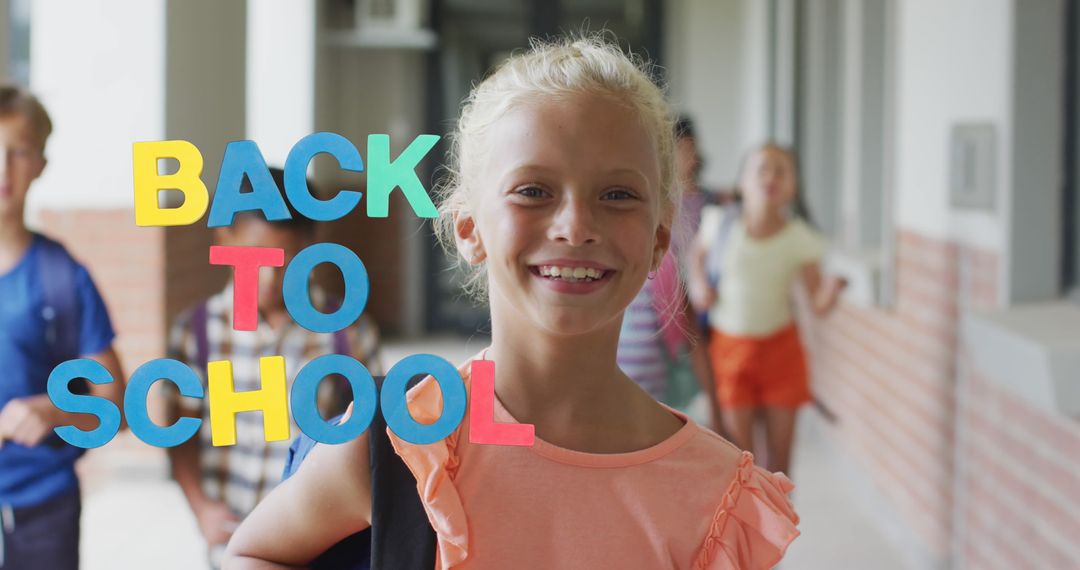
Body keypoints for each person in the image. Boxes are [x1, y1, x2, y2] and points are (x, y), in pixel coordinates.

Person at [225, 36, 800, 569]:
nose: (575, 226)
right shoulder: (399, 439)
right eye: (533, 191)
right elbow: (253, 553)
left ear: (657, 239)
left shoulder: (718, 498)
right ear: (469, 228)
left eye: (618, 194)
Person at [164, 167, 383, 569]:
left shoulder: (347, 332)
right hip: (234, 540)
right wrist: (200, 507)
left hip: (317, 535)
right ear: (224, 239)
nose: (268, 277)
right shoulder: (197, 332)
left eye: (285, 262)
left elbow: (368, 438)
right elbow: (181, 433)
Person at [0, 84, 125, 570]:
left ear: (40, 165)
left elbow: (116, 405)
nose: (2, 167)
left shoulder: (63, 277)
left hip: (43, 506)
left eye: (18, 151)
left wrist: (52, 410)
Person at [687, 143, 847, 475]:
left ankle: (779, 526)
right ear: (743, 182)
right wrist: (700, 284)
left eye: (782, 170)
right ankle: (748, 528)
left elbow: (817, 305)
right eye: (762, 169)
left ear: (793, 186)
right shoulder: (719, 223)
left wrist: (831, 291)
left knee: (779, 471)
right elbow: (696, 257)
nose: (771, 176)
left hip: (781, 352)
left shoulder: (799, 237)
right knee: (740, 464)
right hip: (730, 351)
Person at [616, 116, 721, 431]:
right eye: (677, 151)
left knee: (695, 351)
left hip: (696, 288)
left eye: (689, 150)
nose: (684, 158)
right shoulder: (659, 200)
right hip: (660, 284)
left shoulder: (709, 201)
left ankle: (712, 409)